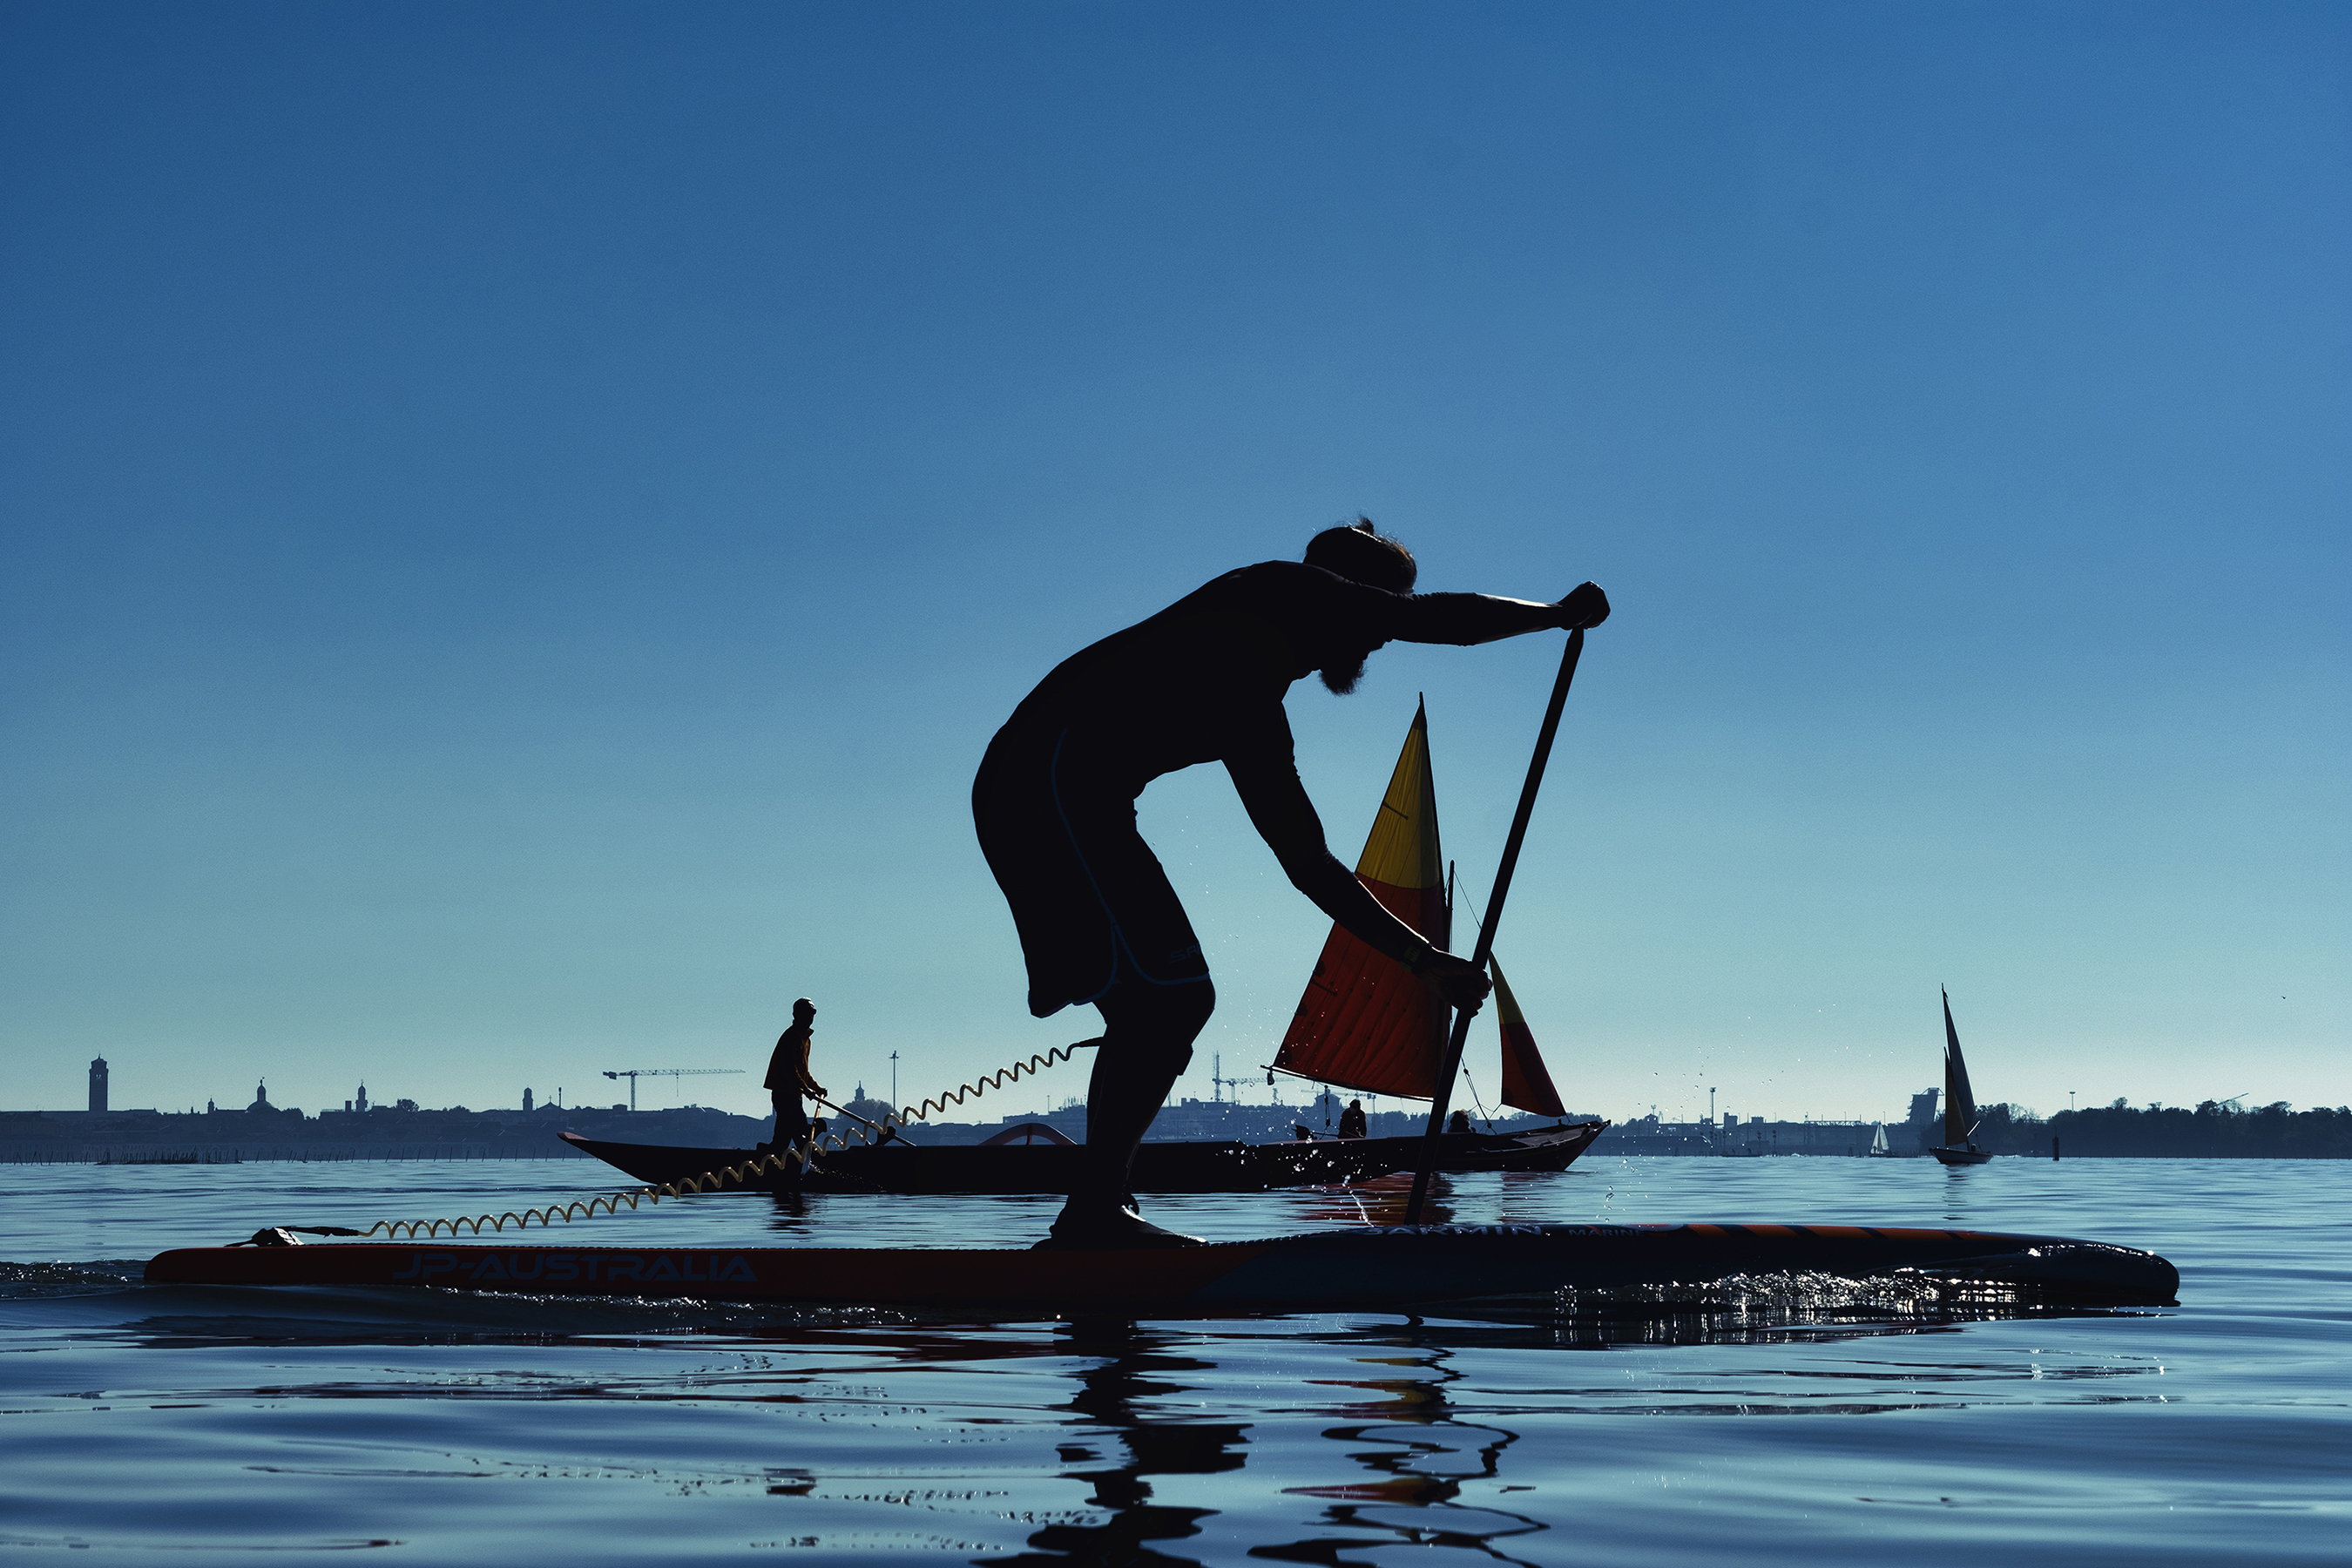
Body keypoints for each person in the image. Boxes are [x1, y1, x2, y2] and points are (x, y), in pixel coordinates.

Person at [974, 519, 1609, 1247]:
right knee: (1173, 1001)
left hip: (1064, 798)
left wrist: (1423, 962)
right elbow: (1438, 619)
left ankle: (1100, 1215)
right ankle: (1093, 1217)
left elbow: (1308, 865)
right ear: (1347, 591)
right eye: (1378, 614)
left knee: (1161, 1006)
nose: (1379, 641)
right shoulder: (1277, 587)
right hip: (1043, 782)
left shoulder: (1255, 715)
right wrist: (1554, 616)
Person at [761, 998, 828, 1159]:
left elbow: (803, 1071)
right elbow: (790, 1069)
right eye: (807, 1014)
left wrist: (816, 1088)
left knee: (786, 1138)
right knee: (796, 1136)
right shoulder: (792, 1037)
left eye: (812, 1014)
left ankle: (768, 1157)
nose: (810, 1017)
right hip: (784, 1094)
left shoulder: (806, 1039)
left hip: (794, 1095)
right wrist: (806, 1089)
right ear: (797, 1015)